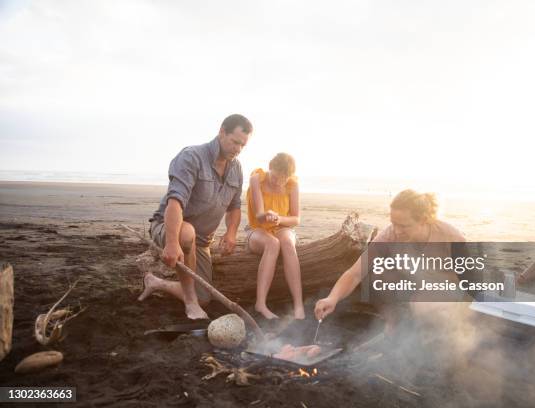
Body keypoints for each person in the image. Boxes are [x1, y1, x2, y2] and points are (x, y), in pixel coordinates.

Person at [139, 114, 253, 320]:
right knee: (186, 232)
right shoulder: (192, 157)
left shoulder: (236, 168)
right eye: (235, 142)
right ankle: (190, 304)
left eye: (243, 145)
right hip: (170, 228)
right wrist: (172, 243)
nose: (238, 149)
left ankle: (156, 283)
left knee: (204, 298)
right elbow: (175, 202)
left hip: (201, 241)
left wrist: (231, 233)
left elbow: (235, 207)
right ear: (221, 132)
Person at [314, 189, 466, 333]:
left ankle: (431, 334)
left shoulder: (451, 237)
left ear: (424, 220)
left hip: (445, 289)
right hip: (412, 284)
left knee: (424, 306)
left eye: (404, 226)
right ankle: (393, 322)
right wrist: (332, 298)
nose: (397, 231)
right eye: (394, 223)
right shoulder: (390, 235)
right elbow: (355, 273)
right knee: (376, 273)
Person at [246, 153, 304, 319]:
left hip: (281, 227)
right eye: (275, 176)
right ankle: (261, 304)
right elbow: (258, 215)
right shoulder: (257, 179)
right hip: (257, 229)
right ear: (269, 168)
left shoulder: (292, 185)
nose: (278, 182)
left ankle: (298, 305)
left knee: (286, 242)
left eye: (283, 178)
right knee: (273, 244)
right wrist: (267, 215)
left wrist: (279, 218)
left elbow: (296, 219)